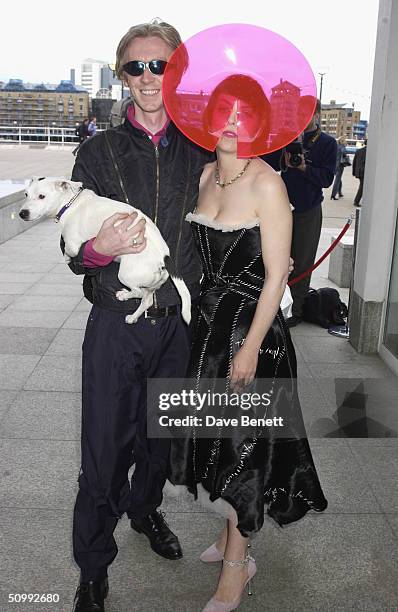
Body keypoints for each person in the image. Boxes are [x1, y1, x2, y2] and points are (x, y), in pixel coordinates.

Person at [66, 20, 213, 612]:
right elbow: (76, 252)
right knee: (104, 446)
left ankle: (145, 509)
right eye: (137, 67)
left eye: (161, 65)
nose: (149, 77)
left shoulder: (203, 143)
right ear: (122, 75)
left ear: (178, 70)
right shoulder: (98, 151)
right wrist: (103, 250)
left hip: (178, 320)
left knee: (162, 436)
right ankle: (93, 566)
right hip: (115, 320)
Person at [168, 91, 328, 611]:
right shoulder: (206, 176)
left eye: (244, 116)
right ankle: (227, 536)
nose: (233, 125)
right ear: (208, 120)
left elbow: (277, 273)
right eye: (224, 114)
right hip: (210, 331)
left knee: (244, 450)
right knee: (216, 440)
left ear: (260, 125)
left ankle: (238, 565)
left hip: (251, 336)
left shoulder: (267, 182)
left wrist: (251, 347)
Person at [281, 99, 337, 327]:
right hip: (281, 208)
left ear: (317, 115)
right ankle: (276, 305)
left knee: (302, 262)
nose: (301, 119)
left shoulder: (327, 143)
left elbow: (326, 179)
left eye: (306, 114)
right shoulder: (286, 139)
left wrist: (304, 167)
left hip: (308, 209)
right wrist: (284, 159)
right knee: (278, 259)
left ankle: (296, 309)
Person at [352, 139, 367, 207]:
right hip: (364, 172)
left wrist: (354, 172)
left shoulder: (359, 150)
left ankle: (357, 200)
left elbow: (354, 162)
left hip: (359, 172)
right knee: (362, 187)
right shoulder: (368, 151)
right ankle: (356, 201)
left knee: (362, 186)